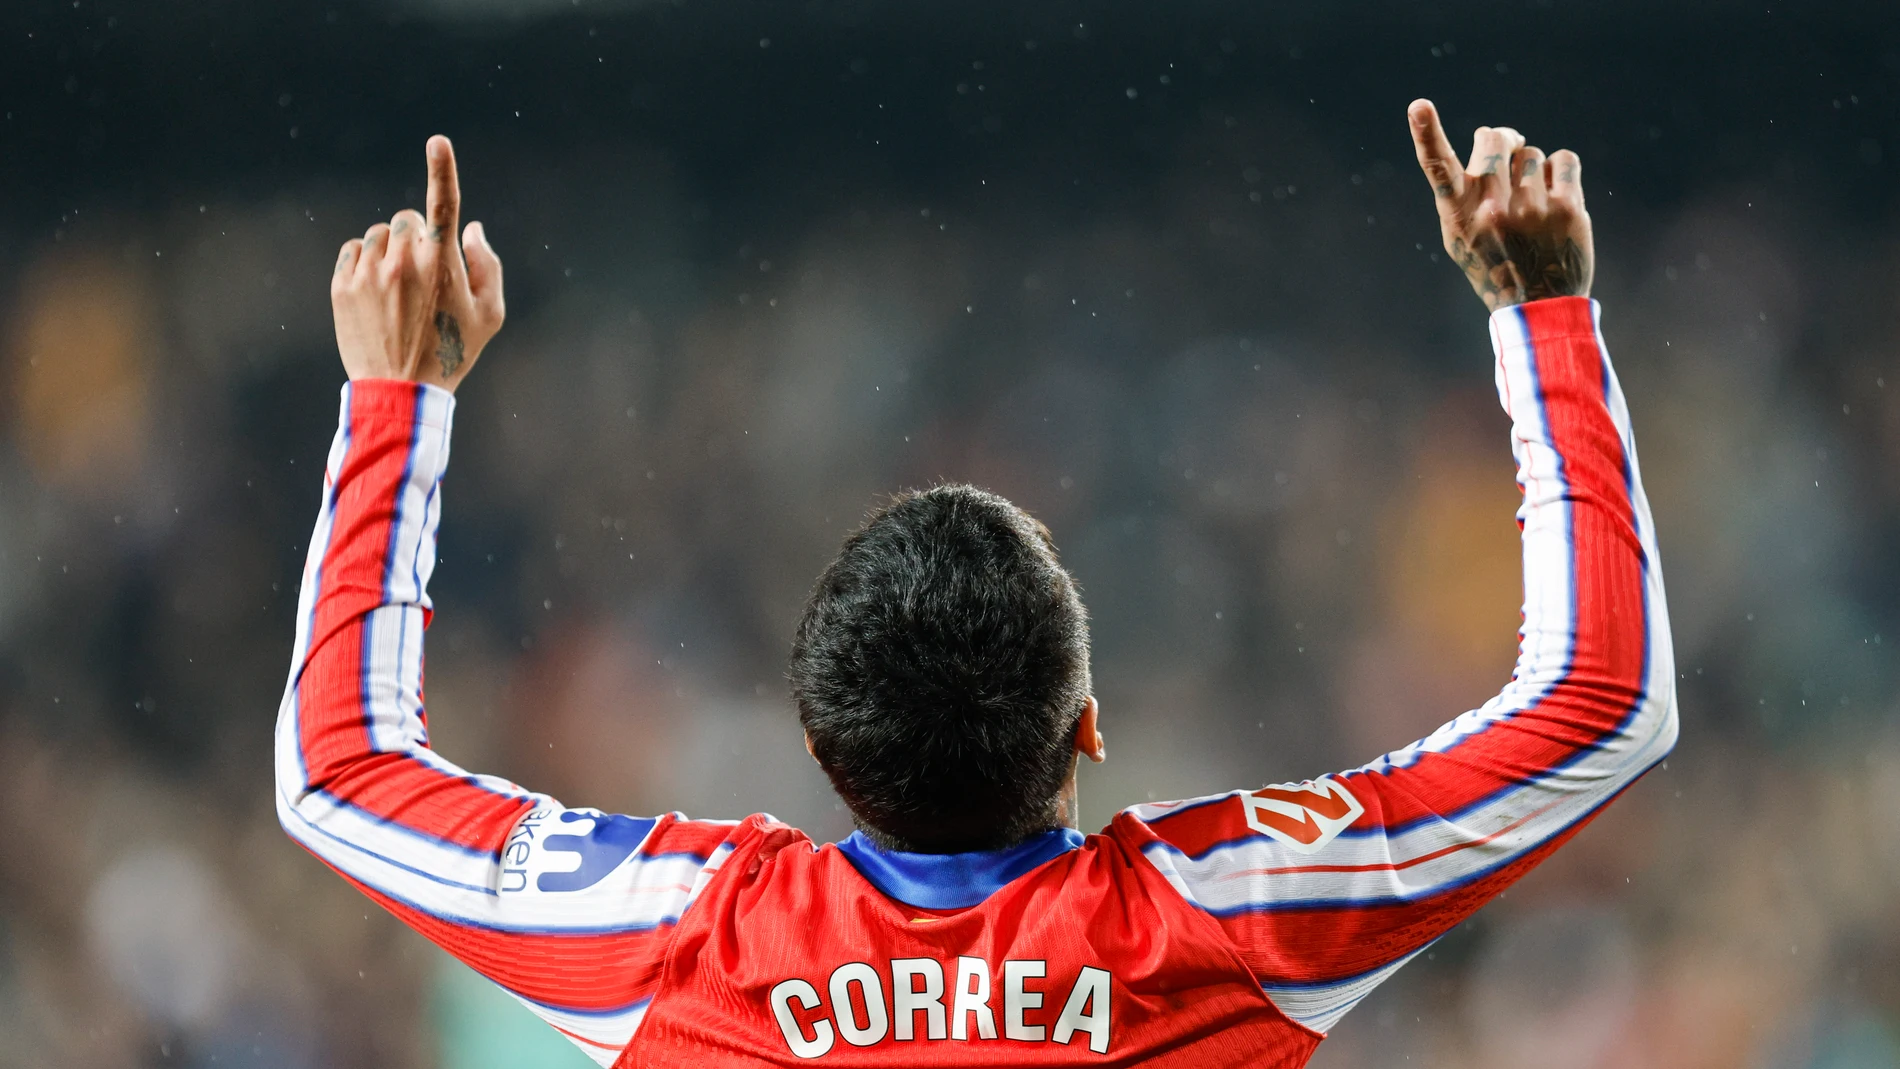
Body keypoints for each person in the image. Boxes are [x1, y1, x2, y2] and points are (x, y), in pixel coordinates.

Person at [275, 100, 1677, 1066]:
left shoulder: (695, 937)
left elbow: (337, 773)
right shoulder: (1215, 920)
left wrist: (397, 397)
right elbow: (1602, 704)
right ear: (1088, 725)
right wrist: (1544, 313)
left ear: (822, 751)